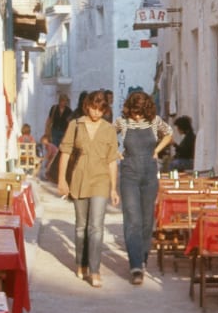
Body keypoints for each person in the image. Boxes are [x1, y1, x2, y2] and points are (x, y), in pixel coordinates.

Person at [56, 91, 120, 285]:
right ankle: (80, 264)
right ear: (87, 106)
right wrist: (62, 181)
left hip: (101, 180)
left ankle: (95, 270)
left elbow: (112, 160)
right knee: (81, 227)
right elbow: (65, 153)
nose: (96, 113)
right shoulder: (75, 125)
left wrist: (113, 189)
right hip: (79, 178)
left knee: (96, 227)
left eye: (101, 109)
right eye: (93, 108)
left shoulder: (109, 129)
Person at [116, 90, 172, 284]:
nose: (137, 115)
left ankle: (143, 256)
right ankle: (136, 266)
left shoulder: (155, 122)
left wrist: (156, 150)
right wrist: (117, 154)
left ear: (146, 109)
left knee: (147, 219)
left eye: (140, 111)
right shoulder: (122, 122)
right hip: (129, 173)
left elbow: (169, 134)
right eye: (134, 111)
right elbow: (106, 136)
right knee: (132, 218)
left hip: (149, 173)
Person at [41, 94, 73, 181]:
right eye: (62, 101)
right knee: (53, 152)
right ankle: (51, 171)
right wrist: (46, 131)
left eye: (65, 101)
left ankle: (58, 171)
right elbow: (49, 120)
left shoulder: (69, 111)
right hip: (54, 131)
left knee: (60, 152)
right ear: (60, 101)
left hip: (63, 132)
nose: (64, 103)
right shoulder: (54, 108)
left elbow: (70, 124)